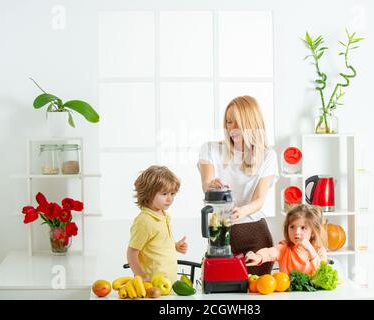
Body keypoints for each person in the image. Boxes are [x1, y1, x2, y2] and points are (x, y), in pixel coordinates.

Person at [198, 95, 278, 275]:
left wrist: (240, 212)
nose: (231, 128)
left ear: (251, 123)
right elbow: (206, 184)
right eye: (228, 122)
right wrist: (211, 186)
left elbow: (259, 200)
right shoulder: (210, 149)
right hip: (220, 234)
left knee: (258, 291)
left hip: (254, 234)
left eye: (237, 123)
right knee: (220, 292)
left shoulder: (267, 156)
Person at [127, 165, 188, 283]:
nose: (169, 199)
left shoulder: (165, 216)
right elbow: (132, 253)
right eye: (164, 194)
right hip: (152, 285)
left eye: (172, 193)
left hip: (169, 283)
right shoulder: (144, 221)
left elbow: (156, 243)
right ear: (148, 193)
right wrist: (142, 277)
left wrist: (174, 246)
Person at [245, 204, 327, 275]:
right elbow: (269, 252)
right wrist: (258, 256)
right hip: (288, 292)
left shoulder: (319, 250)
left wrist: (311, 251)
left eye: (303, 228)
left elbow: (322, 273)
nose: (297, 232)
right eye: (292, 227)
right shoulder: (284, 248)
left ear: (313, 232)